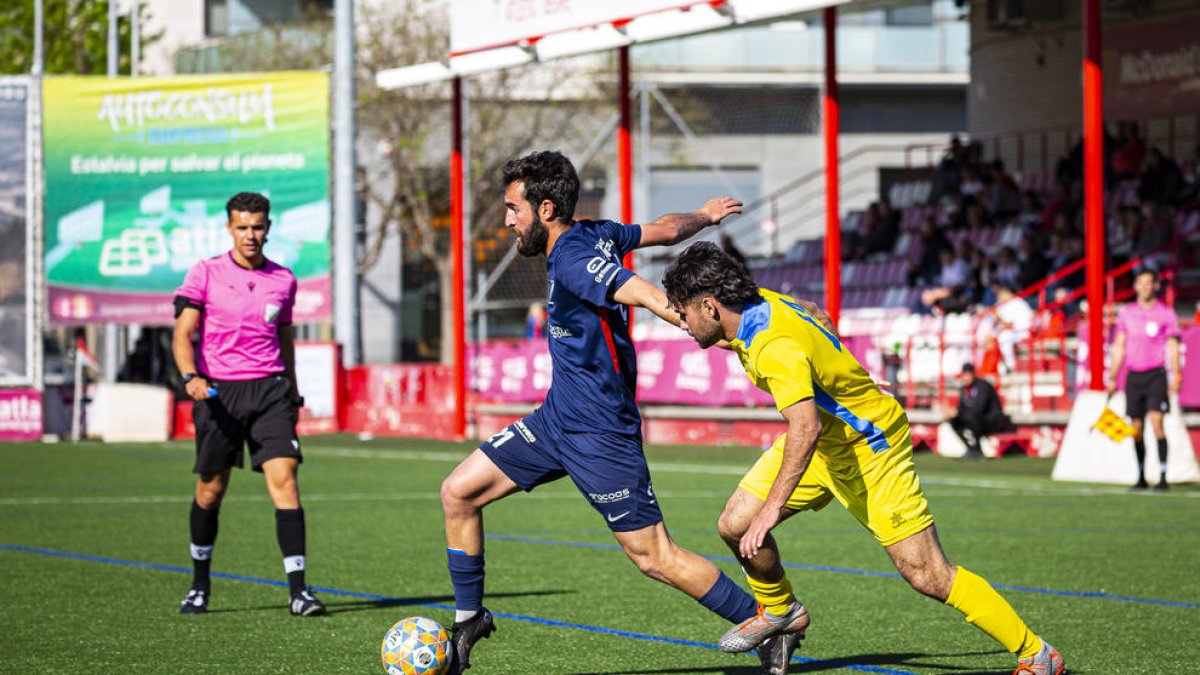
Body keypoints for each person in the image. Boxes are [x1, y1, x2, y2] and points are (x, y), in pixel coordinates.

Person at [438, 151, 798, 675]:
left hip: (601, 434)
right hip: (556, 420)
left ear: (543, 209)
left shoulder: (573, 257)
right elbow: (668, 229)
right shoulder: (595, 233)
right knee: (458, 493)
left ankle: (771, 622)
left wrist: (706, 324)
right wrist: (704, 215)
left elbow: (644, 293)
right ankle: (470, 619)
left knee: (655, 556)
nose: (507, 220)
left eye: (513, 209)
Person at [661, 241, 1065, 675]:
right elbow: (814, 311)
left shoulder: (771, 347)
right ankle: (781, 611)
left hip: (870, 447)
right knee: (735, 522)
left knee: (927, 574)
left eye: (684, 314)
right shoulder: (760, 302)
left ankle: (1037, 655)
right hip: (826, 442)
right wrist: (845, 372)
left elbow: (804, 429)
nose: (682, 323)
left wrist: (771, 511)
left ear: (709, 305)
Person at [172, 192, 324, 616]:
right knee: (211, 489)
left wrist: (292, 391)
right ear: (229, 229)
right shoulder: (205, 273)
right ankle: (199, 586)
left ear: (268, 228)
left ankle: (299, 591)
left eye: (257, 227)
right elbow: (183, 334)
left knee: (286, 481)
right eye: (242, 227)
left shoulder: (284, 279)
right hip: (219, 392)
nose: (250, 235)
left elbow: (285, 340)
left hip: (271, 391)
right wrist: (191, 377)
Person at [1106, 269, 1182, 491]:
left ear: (1156, 286)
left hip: (1155, 374)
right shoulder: (1127, 313)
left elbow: (1173, 347)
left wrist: (1175, 374)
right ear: (1136, 286)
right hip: (1134, 375)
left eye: (1149, 283)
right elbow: (1119, 346)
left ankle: (1163, 475)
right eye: (1141, 284)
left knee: (1157, 423)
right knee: (1136, 428)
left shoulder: (1166, 314)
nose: (1145, 288)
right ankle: (1140, 475)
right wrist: (1112, 377)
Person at [949, 364, 1011, 459]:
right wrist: (953, 413)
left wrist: (959, 413)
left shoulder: (983, 386)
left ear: (973, 374)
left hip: (992, 420)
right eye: (964, 375)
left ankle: (977, 450)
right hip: (976, 420)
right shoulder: (963, 389)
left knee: (972, 418)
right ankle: (973, 449)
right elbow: (961, 408)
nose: (966, 378)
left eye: (968, 375)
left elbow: (979, 408)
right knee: (954, 421)